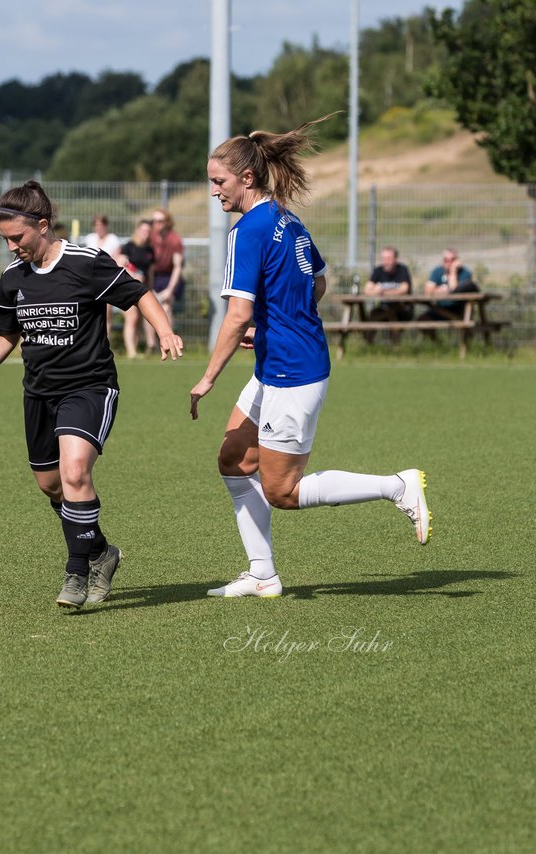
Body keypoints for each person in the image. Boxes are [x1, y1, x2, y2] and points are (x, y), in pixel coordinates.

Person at [189, 115, 431, 599]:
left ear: (246, 178)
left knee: (283, 491)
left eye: (218, 182)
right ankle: (261, 574)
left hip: (290, 373)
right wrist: (280, 322)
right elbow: (317, 282)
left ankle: (397, 486)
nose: (214, 191)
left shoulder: (247, 231)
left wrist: (208, 376)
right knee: (234, 460)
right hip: (284, 361)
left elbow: (237, 316)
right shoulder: (286, 219)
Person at [0, 181, 184, 609]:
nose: (12, 247)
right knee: (52, 485)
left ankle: (76, 571)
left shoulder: (85, 263)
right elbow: (5, 337)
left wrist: (164, 330)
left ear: (43, 224)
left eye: (17, 238)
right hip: (39, 394)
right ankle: (101, 552)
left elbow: (140, 293)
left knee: (75, 473)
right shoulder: (12, 279)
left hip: (89, 387)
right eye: (5, 240)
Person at [114, 218, 156, 358]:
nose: (146, 233)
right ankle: (131, 351)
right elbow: (120, 264)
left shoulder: (149, 249)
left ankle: (138, 348)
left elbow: (150, 272)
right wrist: (134, 275)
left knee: (138, 320)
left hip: (142, 289)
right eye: (143, 230)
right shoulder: (129, 246)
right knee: (131, 318)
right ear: (137, 230)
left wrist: (150, 288)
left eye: (148, 231)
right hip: (128, 288)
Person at [146, 208, 184, 350]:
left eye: (160, 221)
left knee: (166, 307)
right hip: (153, 278)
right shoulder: (150, 238)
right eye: (154, 221)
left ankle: (169, 344)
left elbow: (177, 267)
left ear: (167, 222)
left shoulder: (174, 239)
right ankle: (151, 345)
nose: (157, 224)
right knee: (147, 306)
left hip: (170, 278)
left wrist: (169, 290)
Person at [420, 247, 478, 322]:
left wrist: (453, 271)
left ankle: (466, 333)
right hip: (439, 309)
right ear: (442, 260)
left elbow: (454, 290)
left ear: (457, 260)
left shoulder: (465, 273)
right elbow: (427, 292)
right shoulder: (437, 271)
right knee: (423, 320)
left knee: (464, 322)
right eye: (446, 260)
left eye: (452, 260)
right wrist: (442, 290)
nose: (449, 262)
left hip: (459, 310)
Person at [363, 246, 413, 321]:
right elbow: (366, 290)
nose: (386, 262)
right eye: (384, 259)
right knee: (372, 317)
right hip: (383, 308)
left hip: (401, 308)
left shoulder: (402, 270)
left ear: (396, 259)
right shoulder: (378, 270)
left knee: (393, 316)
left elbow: (404, 289)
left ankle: (394, 332)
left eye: (389, 259)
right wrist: (374, 292)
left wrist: (382, 292)